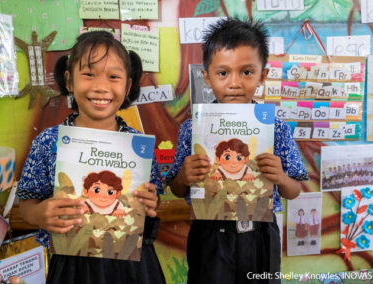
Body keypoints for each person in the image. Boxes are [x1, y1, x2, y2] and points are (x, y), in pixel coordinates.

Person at [166, 18, 308, 283]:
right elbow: (177, 189)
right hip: (208, 232)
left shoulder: (275, 127)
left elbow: (295, 190)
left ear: (262, 76)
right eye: (223, 73)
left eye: (246, 72)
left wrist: (280, 178)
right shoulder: (192, 128)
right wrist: (183, 177)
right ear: (207, 77)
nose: (234, 83)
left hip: (260, 233)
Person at [17, 31, 165, 284]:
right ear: (69, 80)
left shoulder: (138, 145)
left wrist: (151, 201)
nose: (100, 87)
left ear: (127, 86)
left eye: (114, 77)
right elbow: (27, 203)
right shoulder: (47, 141)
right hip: (72, 265)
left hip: (131, 264)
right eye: (88, 74)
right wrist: (40, 214)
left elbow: (153, 200)